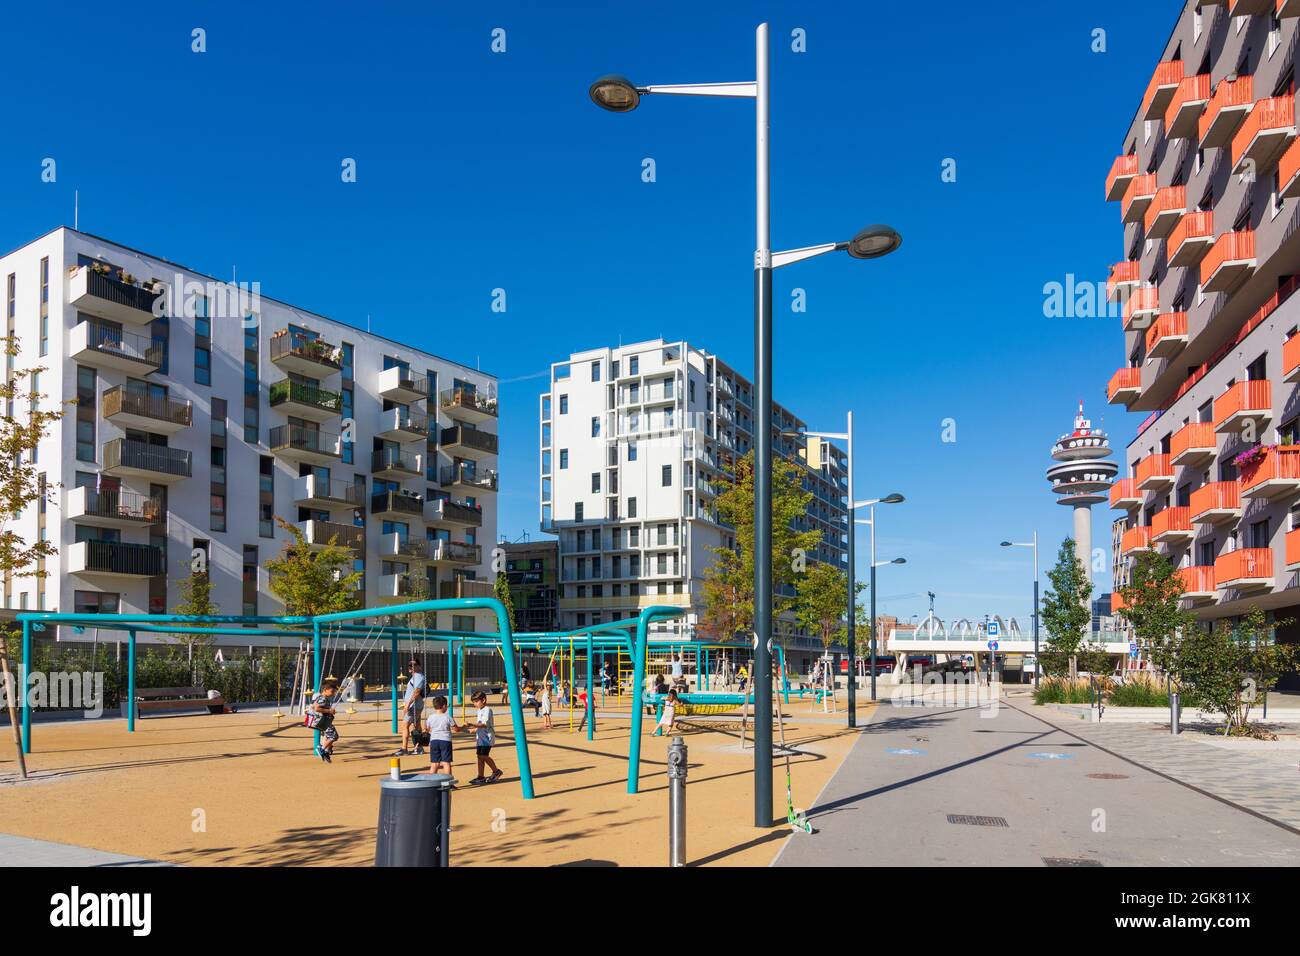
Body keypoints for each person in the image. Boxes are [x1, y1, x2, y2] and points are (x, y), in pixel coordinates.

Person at [467, 691, 503, 785]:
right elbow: (480, 724)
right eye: (474, 702)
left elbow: (484, 724)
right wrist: (474, 729)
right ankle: (481, 776)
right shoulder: (479, 710)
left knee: (483, 756)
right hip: (480, 738)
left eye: (476, 701)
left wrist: (472, 724)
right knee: (479, 757)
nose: (475, 704)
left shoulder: (487, 710)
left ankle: (496, 771)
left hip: (487, 738)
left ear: (483, 700)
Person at [395, 659, 427, 756]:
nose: (410, 667)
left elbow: (416, 692)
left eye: (413, 665)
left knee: (405, 725)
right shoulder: (416, 677)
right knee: (417, 725)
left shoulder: (418, 676)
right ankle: (419, 747)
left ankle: (404, 748)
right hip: (416, 705)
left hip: (413, 706)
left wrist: (407, 705)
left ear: (419, 666)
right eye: (409, 665)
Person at [425, 695, 462, 778]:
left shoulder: (430, 717)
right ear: (444, 706)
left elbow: (427, 729)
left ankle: (431, 781)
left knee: (434, 763)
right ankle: (448, 782)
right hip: (445, 741)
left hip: (434, 741)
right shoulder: (448, 717)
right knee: (446, 762)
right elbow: (456, 729)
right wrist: (463, 726)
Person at [310, 678, 340, 763]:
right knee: (332, 736)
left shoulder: (322, 697)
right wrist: (329, 711)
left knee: (335, 736)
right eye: (332, 691)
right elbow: (316, 708)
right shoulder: (322, 698)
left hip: (323, 721)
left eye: (334, 692)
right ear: (325, 690)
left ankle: (326, 751)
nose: (333, 694)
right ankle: (321, 748)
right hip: (322, 721)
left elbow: (314, 706)